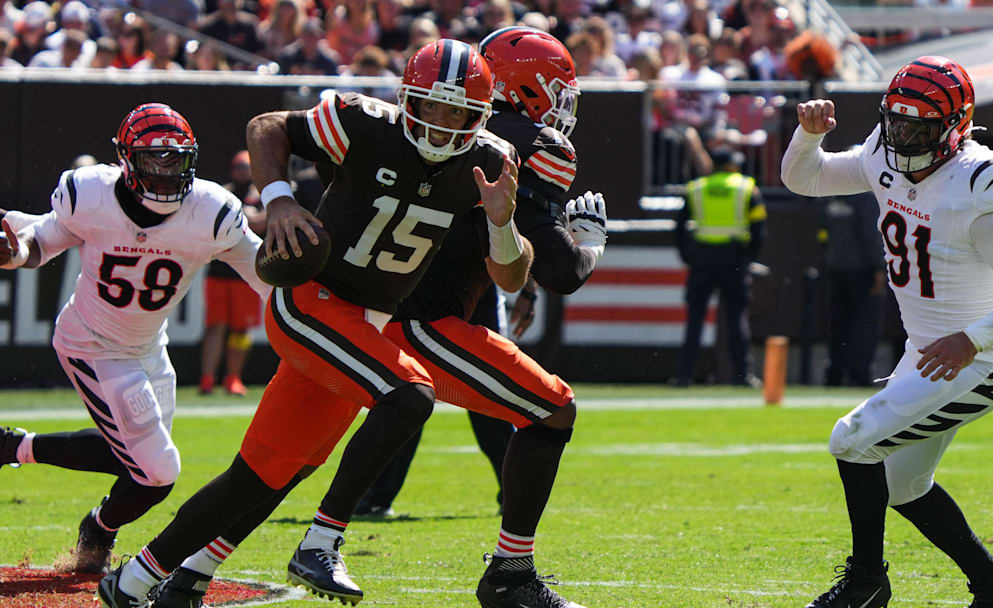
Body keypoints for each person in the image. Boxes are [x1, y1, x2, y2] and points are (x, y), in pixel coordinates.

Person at [152, 27, 603, 608]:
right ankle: (497, 573)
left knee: (288, 460)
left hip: (390, 312)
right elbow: (559, 270)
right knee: (546, 409)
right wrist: (586, 243)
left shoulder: (477, 140)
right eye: (558, 88)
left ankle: (181, 573)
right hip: (412, 318)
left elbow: (512, 263)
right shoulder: (523, 149)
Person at [781, 56, 993, 608]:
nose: (903, 138)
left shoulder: (977, 183)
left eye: (919, 128)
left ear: (955, 127)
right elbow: (805, 179)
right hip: (927, 354)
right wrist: (807, 138)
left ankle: (866, 584)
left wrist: (972, 339)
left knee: (852, 440)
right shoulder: (884, 153)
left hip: (978, 364)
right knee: (904, 486)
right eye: (897, 123)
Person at [0, 103, 269, 575]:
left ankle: (13, 450)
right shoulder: (89, 194)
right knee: (158, 472)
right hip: (93, 345)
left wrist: (311, 290)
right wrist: (13, 253)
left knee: (136, 463)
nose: (166, 172)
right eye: (153, 160)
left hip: (149, 347)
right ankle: (100, 530)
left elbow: (265, 274)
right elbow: (40, 244)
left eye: (176, 159)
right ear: (126, 160)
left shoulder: (212, 211)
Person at [673, 148, 766, 386]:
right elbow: (759, 229)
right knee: (737, 319)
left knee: (695, 319)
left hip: (702, 258)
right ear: (733, 165)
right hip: (733, 260)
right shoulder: (746, 188)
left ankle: (684, 375)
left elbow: (680, 225)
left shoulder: (696, 188)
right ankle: (743, 376)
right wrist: (747, 259)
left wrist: (688, 255)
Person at [199, 151, 267, 396]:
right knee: (215, 325)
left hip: (247, 274)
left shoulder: (260, 195)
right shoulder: (223, 193)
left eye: (245, 167)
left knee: (241, 328)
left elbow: (263, 222)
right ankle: (207, 379)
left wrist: (248, 218)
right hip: (219, 271)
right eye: (238, 166)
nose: (241, 171)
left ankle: (233, 378)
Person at [820, 189, 885, 387]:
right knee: (865, 323)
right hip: (863, 269)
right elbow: (871, 235)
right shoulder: (865, 199)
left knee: (838, 323)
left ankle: (835, 372)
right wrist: (879, 267)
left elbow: (823, 234)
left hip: (835, 268)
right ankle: (860, 373)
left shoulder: (831, 199)